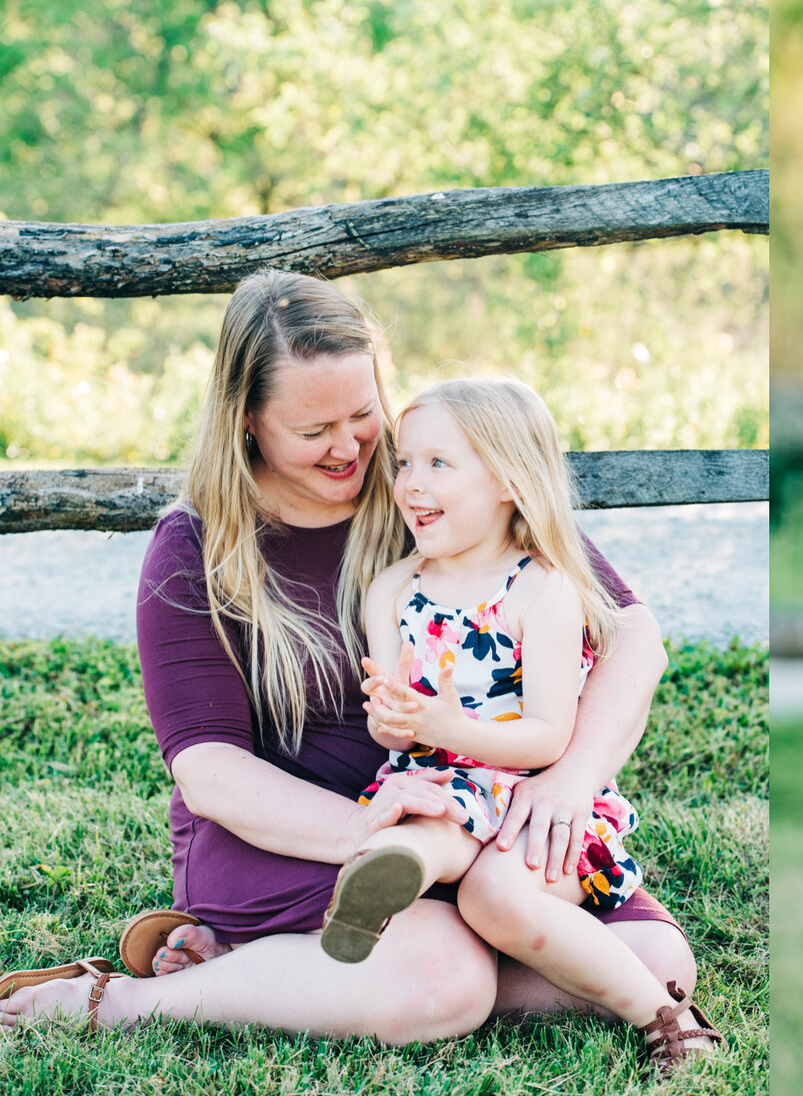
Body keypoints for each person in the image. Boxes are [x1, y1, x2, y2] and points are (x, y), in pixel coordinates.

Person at [0, 269, 694, 1048]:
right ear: (247, 422)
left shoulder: (428, 484)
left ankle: (284, 970)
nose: (350, 447)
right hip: (296, 836)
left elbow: (633, 635)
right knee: (446, 976)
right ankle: (127, 1000)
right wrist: (392, 831)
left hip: (475, 812)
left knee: (659, 966)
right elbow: (211, 772)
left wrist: (568, 784)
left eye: (364, 414)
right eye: (312, 430)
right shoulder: (194, 549)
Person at [336, 375, 719, 1070]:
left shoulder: (542, 589)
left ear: (509, 480)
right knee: (428, 829)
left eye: (438, 464)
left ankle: (665, 1017)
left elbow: (549, 735)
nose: (411, 484)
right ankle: (379, 886)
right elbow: (391, 737)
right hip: (442, 787)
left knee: (492, 895)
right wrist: (395, 722)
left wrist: (445, 726)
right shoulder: (394, 588)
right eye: (404, 463)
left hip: (532, 798)